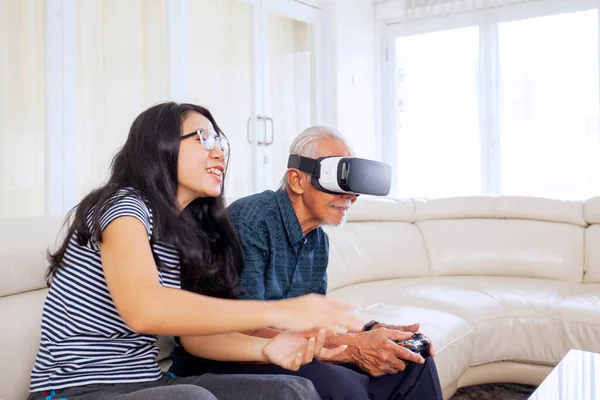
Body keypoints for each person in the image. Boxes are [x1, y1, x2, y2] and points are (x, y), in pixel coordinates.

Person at [28, 104, 364, 400]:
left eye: (220, 143)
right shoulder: (124, 207)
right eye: (203, 139)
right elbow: (144, 308)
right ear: (161, 145)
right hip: (76, 390)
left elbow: (195, 340)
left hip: (147, 384)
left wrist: (266, 346)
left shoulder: (179, 233)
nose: (219, 154)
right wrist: (277, 312)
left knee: (292, 389)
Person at [170, 126, 444, 400]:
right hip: (230, 359)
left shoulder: (317, 240)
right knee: (340, 383)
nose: (350, 196)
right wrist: (349, 346)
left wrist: (371, 330)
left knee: (412, 361)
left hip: (292, 349)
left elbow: (313, 321)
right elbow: (244, 328)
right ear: (297, 180)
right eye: (339, 182)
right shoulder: (251, 220)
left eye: (353, 188)